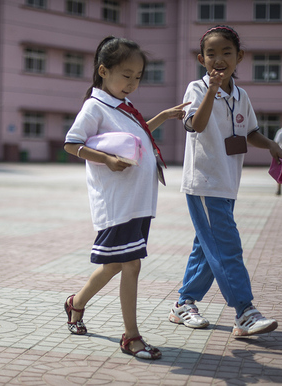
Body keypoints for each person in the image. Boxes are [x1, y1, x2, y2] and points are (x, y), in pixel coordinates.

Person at [63, 36, 189, 359]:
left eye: (137, 77)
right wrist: (105, 160)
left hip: (137, 202)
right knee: (130, 264)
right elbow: (71, 143)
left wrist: (164, 116)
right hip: (119, 204)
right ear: (103, 71)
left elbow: (135, 136)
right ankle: (131, 338)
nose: (132, 83)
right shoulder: (95, 106)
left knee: (115, 265)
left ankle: (75, 304)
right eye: (126, 75)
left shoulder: (124, 107)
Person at [168, 25, 282, 337]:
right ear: (201, 59)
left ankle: (184, 303)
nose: (218, 59)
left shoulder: (242, 95)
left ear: (239, 58)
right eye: (211, 54)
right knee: (227, 246)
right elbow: (196, 124)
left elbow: (249, 132)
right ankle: (245, 311)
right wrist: (211, 90)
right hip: (204, 182)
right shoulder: (196, 89)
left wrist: (271, 145)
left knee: (207, 248)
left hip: (227, 182)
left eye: (226, 53)